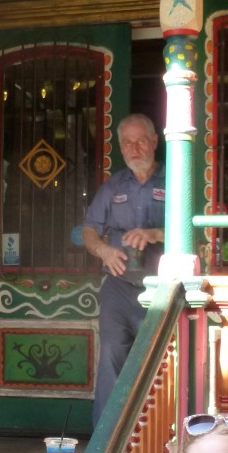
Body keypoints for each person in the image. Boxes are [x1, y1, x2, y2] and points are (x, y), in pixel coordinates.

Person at [82, 113, 165, 425]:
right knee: (111, 361)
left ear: (154, 142)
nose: (135, 149)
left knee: (159, 364)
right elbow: (89, 230)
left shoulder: (173, 181)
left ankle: (156, 437)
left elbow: (194, 230)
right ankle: (106, 440)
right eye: (128, 143)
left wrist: (155, 233)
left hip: (161, 289)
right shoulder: (114, 185)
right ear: (120, 147)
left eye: (141, 141)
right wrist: (104, 251)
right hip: (118, 286)